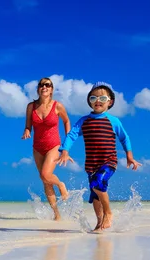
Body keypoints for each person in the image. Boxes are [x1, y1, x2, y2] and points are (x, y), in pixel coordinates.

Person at [57, 82, 141, 231]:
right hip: (91, 164)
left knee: (98, 184)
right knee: (95, 194)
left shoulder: (113, 121)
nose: (97, 101)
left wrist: (129, 156)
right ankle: (99, 223)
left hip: (108, 161)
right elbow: (71, 135)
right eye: (93, 97)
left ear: (110, 102)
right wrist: (65, 150)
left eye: (102, 98)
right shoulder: (84, 121)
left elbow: (124, 137)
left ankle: (108, 213)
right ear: (89, 101)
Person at [22, 77, 71, 221]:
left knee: (44, 174)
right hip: (37, 147)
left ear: (51, 89)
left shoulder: (58, 106)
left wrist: (66, 144)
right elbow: (28, 124)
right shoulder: (31, 106)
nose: (44, 87)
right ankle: (57, 214)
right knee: (45, 181)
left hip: (54, 145)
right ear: (38, 89)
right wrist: (27, 130)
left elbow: (66, 121)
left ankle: (61, 184)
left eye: (47, 85)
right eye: (42, 85)